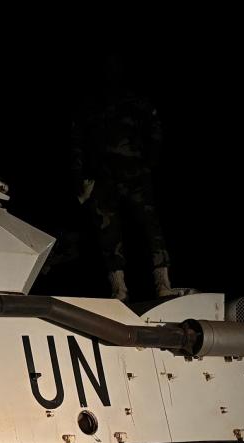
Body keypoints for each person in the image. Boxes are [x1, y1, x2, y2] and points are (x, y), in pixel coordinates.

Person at [70, 64, 174, 301]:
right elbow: (76, 142)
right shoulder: (90, 105)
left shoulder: (136, 102)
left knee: (150, 228)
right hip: (103, 177)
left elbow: (156, 131)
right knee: (109, 232)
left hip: (134, 174)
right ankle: (119, 289)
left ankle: (163, 282)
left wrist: (147, 163)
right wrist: (79, 179)